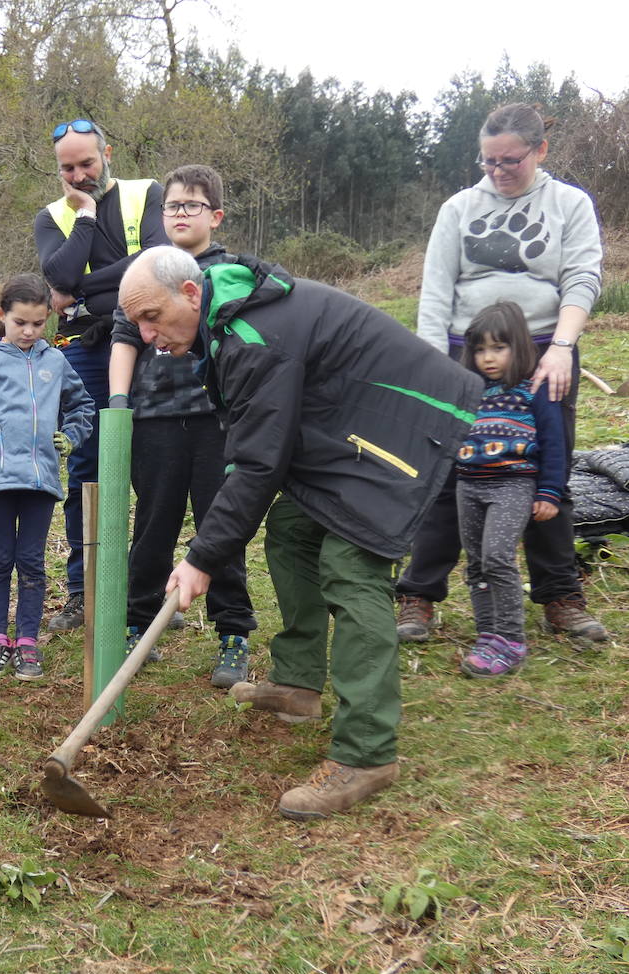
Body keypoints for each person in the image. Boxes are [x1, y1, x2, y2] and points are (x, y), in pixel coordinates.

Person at [120, 246, 482, 819]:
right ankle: (299, 682)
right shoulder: (226, 320)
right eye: (137, 322)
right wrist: (211, 545)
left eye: (151, 317)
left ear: (190, 294)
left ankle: (367, 752)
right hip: (349, 431)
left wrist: (202, 556)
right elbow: (256, 445)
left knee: (350, 565)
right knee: (291, 528)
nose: (146, 336)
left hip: (407, 427)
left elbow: (258, 463)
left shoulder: (254, 333)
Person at [396, 102, 605, 643]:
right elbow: (436, 289)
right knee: (447, 471)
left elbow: (582, 277)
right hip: (468, 351)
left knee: (546, 468)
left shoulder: (569, 203)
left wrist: (562, 347)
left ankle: (559, 595)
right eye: (487, 162)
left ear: (540, 150)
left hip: (542, 350)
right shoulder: (459, 208)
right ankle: (419, 594)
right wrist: (430, 365)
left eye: (509, 160)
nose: (497, 171)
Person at [109, 164, 256, 686]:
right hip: (154, 419)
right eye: (171, 205)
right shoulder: (143, 271)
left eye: (192, 205)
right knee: (152, 522)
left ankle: (233, 632)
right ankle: (136, 623)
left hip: (216, 420)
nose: (180, 214)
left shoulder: (231, 271)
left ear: (214, 216)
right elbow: (123, 338)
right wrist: (120, 402)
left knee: (220, 524)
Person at [34, 119, 166, 631]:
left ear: (107, 152)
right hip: (85, 350)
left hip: (151, 340)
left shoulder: (146, 193)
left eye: (87, 163)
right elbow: (56, 279)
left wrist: (84, 285)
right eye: (68, 168)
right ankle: (82, 590)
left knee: (153, 464)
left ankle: (142, 590)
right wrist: (85, 219)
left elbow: (158, 258)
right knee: (86, 464)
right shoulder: (51, 217)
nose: (79, 175)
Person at [0, 274, 93, 682]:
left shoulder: (55, 361)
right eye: (21, 322)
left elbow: (83, 406)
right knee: (0, 560)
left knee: (32, 562)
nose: (30, 331)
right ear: (1, 316)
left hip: (41, 482)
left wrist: (69, 437)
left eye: (38, 324)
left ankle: (28, 643)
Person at [454, 301, 566, 677]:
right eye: (480, 349)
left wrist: (549, 491)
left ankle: (512, 640)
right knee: (476, 564)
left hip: (513, 484)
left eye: (498, 348)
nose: (488, 358)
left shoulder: (534, 388)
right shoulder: (469, 390)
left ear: (518, 347)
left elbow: (554, 441)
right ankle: (488, 637)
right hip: (468, 485)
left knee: (498, 558)